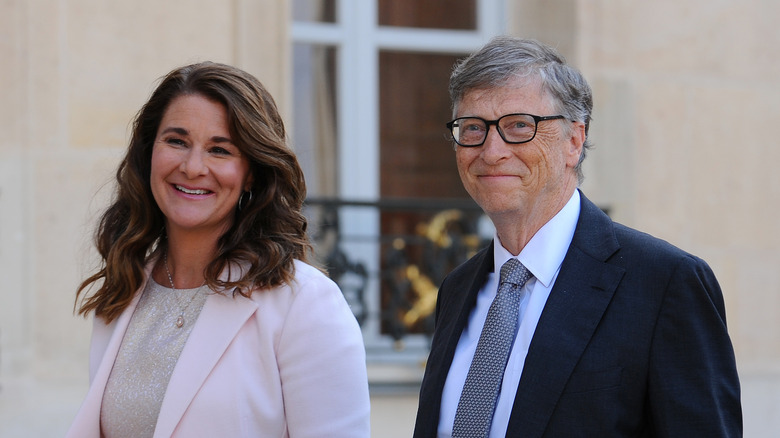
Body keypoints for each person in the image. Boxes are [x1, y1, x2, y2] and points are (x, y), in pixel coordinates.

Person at [413, 36, 741, 437]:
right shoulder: (458, 288)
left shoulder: (664, 283)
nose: (492, 150)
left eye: (519, 125)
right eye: (474, 128)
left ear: (574, 141)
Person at [67, 62, 370, 438]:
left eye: (220, 150)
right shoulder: (123, 290)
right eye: (176, 141)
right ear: (149, 154)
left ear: (252, 173)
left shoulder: (305, 304)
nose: (193, 167)